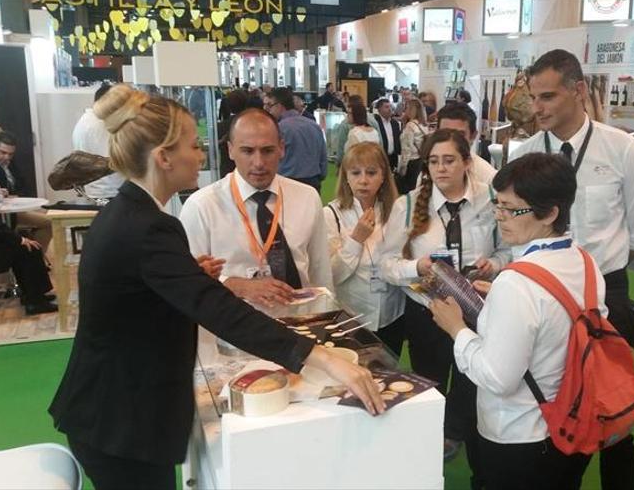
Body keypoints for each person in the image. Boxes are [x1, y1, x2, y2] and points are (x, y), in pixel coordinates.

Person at [48, 85, 384, 489]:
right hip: (119, 418)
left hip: (114, 411)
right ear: (163, 158)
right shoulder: (149, 227)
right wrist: (323, 359)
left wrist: (188, 280)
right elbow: (221, 312)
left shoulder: (132, 214)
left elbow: (141, 299)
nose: (201, 155)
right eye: (193, 145)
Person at [508, 49, 634, 490]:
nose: (537, 108)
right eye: (534, 97)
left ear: (578, 90)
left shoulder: (622, 149)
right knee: (553, 397)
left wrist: (596, 277)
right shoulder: (525, 155)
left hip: (606, 291)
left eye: (548, 96)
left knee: (612, 408)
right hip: (542, 290)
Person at [430, 152, 597, 490]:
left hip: (519, 434)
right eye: (498, 205)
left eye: (511, 209)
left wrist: (456, 329)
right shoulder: (584, 261)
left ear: (550, 212)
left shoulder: (518, 283)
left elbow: (498, 378)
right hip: (574, 422)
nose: (499, 217)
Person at [380, 129, 509, 476]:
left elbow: (508, 249)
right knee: (429, 385)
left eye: (449, 160)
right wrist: (415, 267)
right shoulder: (406, 205)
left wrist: (493, 264)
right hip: (428, 314)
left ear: (468, 162)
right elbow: (386, 263)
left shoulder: (491, 198)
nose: (441, 168)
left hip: (478, 312)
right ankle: (425, 459)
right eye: (433, 161)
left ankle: (467, 449)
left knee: (472, 386)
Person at [180, 108, 333, 307]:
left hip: (301, 323)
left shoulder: (306, 197)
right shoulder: (202, 206)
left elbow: (320, 271)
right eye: (248, 151)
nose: (259, 163)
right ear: (230, 150)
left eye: (268, 150)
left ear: (282, 149)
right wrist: (238, 286)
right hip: (235, 330)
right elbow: (187, 283)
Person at [323, 142, 405, 353]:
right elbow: (332, 276)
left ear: (383, 176)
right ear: (346, 177)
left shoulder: (397, 210)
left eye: (371, 172)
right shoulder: (331, 214)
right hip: (351, 316)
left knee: (390, 374)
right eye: (355, 173)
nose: (363, 180)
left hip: (392, 314)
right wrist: (356, 239)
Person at [0, 148, 55, 315]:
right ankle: (35, 301)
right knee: (29, 248)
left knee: (26, 242)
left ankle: (32, 295)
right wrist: (18, 240)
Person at [0, 131, 53, 251]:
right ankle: (36, 258)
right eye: (3, 152)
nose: (7, 157)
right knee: (49, 222)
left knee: (51, 213)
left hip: (15, 207)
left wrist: (16, 195)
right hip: (1, 213)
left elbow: (24, 186)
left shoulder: (11, 163)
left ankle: (33, 256)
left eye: (10, 154)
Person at [265, 87, 328, 193]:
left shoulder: (279, 129)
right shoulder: (314, 125)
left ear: (279, 106)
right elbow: (323, 157)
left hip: (287, 184)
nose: (267, 109)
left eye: (270, 105)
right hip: (313, 183)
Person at [71, 82, 125, 200]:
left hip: (95, 191)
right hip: (109, 192)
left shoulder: (84, 120)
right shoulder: (100, 124)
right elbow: (112, 161)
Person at [431, 102, 496, 185]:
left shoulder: (487, 177)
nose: (451, 140)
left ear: (473, 136)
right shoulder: (428, 171)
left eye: (459, 135)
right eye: (445, 133)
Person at [397, 98, 429, 194]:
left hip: (410, 162)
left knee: (406, 191)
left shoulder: (410, 126)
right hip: (420, 160)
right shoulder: (423, 124)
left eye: (407, 108)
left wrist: (402, 167)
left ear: (411, 109)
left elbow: (406, 149)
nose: (405, 110)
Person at [373, 98, 402, 171]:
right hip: (380, 158)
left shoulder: (395, 123)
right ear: (379, 109)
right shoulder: (375, 123)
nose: (390, 109)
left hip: (393, 158)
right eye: (386, 107)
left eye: (390, 107)